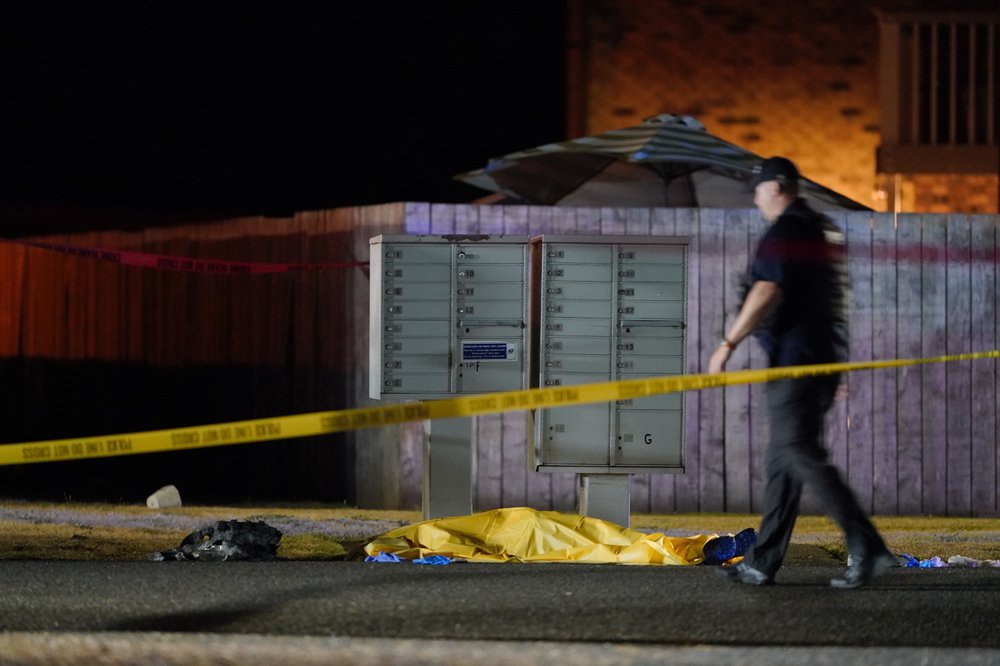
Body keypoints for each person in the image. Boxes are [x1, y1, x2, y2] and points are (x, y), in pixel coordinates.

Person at [708, 156, 896, 589]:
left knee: (801, 453)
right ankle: (763, 560)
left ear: (775, 187)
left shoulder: (788, 229)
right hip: (816, 359)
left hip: (797, 363)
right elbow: (830, 303)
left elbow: (767, 288)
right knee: (784, 462)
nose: (756, 201)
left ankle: (867, 545)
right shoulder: (818, 229)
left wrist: (727, 344)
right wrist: (833, 366)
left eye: (757, 192)